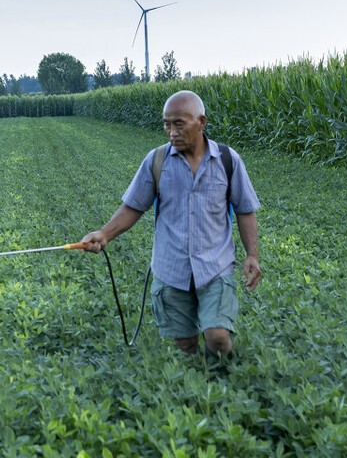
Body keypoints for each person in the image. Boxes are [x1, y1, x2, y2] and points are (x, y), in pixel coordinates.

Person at [81, 90, 261, 358]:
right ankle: (197, 389)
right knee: (185, 346)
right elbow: (133, 206)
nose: (171, 131)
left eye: (179, 123)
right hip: (171, 268)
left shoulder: (227, 160)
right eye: (167, 123)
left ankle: (224, 381)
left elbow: (245, 210)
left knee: (218, 337)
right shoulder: (157, 161)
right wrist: (104, 234)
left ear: (201, 122)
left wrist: (252, 255)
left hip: (215, 266)